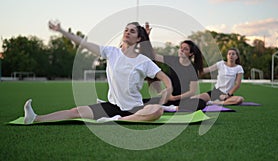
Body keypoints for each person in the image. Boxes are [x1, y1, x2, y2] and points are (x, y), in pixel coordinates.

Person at [23, 21, 173, 124]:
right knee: (75, 111)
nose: (127, 32)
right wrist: (61, 30)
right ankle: (35, 118)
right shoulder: (111, 52)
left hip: (135, 109)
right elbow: (83, 43)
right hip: (112, 107)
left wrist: (168, 91)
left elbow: (165, 79)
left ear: (139, 38)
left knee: (157, 111)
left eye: (132, 31)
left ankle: (116, 120)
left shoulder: (143, 60)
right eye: (126, 30)